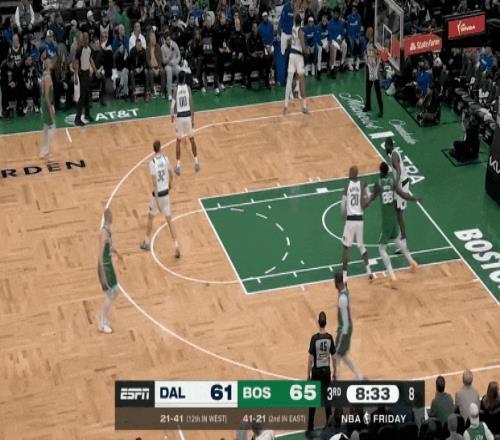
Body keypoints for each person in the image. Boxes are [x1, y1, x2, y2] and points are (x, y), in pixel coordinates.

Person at [368, 162, 420, 288]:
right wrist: (413, 199)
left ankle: (393, 278)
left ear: (380, 171)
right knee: (397, 239)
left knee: (381, 248)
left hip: (386, 219)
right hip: (393, 214)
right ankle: (412, 262)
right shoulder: (392, 182)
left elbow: (372, 197)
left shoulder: (378, 183)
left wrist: (363, 202)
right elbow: (402, 194)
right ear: (388, 171)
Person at [140, 140, 181, 258]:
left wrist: (157, 201)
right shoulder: (165, 159)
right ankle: (176, 245)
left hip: (157, 196)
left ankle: (146, 242)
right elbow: (171, 175)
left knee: (150, 217)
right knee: (170, 221)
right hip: (166, 194)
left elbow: (154, 184)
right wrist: (170, 185)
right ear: (160, 148)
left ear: (153, 149)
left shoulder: (152, 163)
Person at [306, 311, 336, 438]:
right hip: (326, 371)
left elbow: (310, 359)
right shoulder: (329, 338)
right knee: (327, 399)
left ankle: (310, 428)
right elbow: (334, 357)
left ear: (318, 323)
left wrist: (308, 374)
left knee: (313, 400)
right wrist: (335, 372)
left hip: (316, 371)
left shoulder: (314, 338)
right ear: (326, 323)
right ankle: (329, 425)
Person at [341, 165, 373, 284]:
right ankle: (369, 271)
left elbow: (343, 206)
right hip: (360, 219)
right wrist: (367, 193)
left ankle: (344, 277)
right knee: (361, 246)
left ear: (352, 173)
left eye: (349, 171)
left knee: (346, 248)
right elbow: (369, 197)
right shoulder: (362, 184)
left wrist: (344, 217)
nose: (348, 173)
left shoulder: (347, 187)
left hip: (350, 220)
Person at [333, 272, 365, 381]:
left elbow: (345, 319)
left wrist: (343, 334)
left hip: (344, 329)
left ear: (338, 283)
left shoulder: (342, 298)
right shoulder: (345, 292)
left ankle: (338, 380)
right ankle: (359, 376)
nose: (334, 285)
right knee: (343, 354)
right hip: (346, 327)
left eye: (335, 283)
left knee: (336, 355)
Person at [97, 208, 124, 334]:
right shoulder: (104, 233)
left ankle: (103, 318)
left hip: (109, 265)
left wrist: (117, 253)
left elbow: (109, 247)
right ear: (109, 218)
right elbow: (100, 255)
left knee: (116, 291)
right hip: (105, 267)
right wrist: (102, 274)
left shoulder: (108, 230)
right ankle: (102, 322)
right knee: (110, 294)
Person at [384, 137, 411, 254]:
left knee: (399, 214)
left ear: (389, 146)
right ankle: (400, 239)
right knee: (397, 212)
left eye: (386, 146)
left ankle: (404, 243)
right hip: (401, 184)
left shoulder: (394, 155)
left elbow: (399, 171)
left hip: (402, 186)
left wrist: (396, 183)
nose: (385, 148)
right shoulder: (393, 154)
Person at [171, 71, 200, 175]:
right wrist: (193, 119)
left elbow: (172, 106)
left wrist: (172, 116)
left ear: (178, 79)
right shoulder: (188, 88)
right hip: (187, 116)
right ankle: (196, 162)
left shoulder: (175, 90)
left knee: (178, 141)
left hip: (179, 117)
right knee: (192, 140)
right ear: (184, 79)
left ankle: (178, 165)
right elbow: (191, 105)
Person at [283, 14, 308, 115]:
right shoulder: (300, 31)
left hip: (291, 56)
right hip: (298, 57)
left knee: (289, 80)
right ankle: (304, 106)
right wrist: (306, 53)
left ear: (294, 21)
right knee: (302, 80)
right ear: (301, 22)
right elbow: (303, 46)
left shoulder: (293, 28)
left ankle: (285, 106)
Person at [74, 32, 96, 126]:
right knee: (82, 96)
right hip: (81, 74)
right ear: (83, 39)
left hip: (87, 73)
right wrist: (75, 76)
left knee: (87, 95)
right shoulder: (79, 49)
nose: (86, 40)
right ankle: (77, 119)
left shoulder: (89, 49)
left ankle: (87, 115)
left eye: (87, 38)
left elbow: (90, 60)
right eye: (85, 38)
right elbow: (76, 62)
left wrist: (95, 70)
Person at [363, 27, 383, 118]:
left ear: (371, 33)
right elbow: (367, 55)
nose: (366, 33)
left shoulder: (375, 44)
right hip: (369, 68)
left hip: (375, 70)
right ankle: (368, 106)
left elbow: (378, 57)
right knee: (368, 88)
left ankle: (381, 109)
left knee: (378, 90)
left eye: (368, 32)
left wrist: (375, 71)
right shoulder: (368, 44)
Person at [40, 58, 56, 159]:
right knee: (53, 127)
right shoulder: (47, 77)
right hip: (46, 104)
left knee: (46, 128)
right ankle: (44, 150)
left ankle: (45, 151)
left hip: (46, 103)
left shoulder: (46, 74)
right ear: (47, 65)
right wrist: (50, 109)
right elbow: (46, 95)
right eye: (50, 62)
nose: (52, 63)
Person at [328, 7, 347, 78]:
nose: (335, 15)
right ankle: (332, 68)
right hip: (333, 41)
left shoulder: (341, 23)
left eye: (337, 14)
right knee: (334, 49)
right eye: (334, 14)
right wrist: (335, 41)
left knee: (345, 45)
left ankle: (342, 64)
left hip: (340, 40)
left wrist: (341, 39)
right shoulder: (330, 23)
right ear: (333, 14)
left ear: (339, 15)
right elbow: (330, 35)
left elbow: (343, 34)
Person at [162, 31, 181, 100]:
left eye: (169, 39)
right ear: (165, 40)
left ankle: (179, 91)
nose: (169, 41)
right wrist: (169, 57)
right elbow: (163, 61)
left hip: (175, 64)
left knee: (179, 70)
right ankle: (169, 94)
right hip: (168, 65)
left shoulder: (174, 44)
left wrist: (176, 61)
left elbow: (179, 56)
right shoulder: (162, 47)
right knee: (169, 72)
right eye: (167, 40)